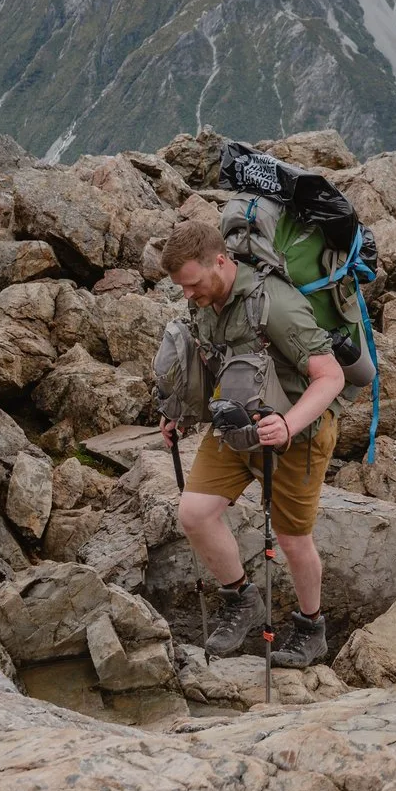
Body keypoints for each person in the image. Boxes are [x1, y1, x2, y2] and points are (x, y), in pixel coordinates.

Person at [157, 219, 345, 667]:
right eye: (181, 288)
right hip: (234, 424)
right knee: (195, 513)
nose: (188, 295)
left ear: (220, 262)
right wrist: (178, 414)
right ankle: (242, 600)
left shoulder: (274, 304)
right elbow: (212, 362)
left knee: (292, 539)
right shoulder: (204, 304)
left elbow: (330, 376)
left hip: (296, 435)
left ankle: (310, 627)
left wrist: (288, 425)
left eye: (193, 284)